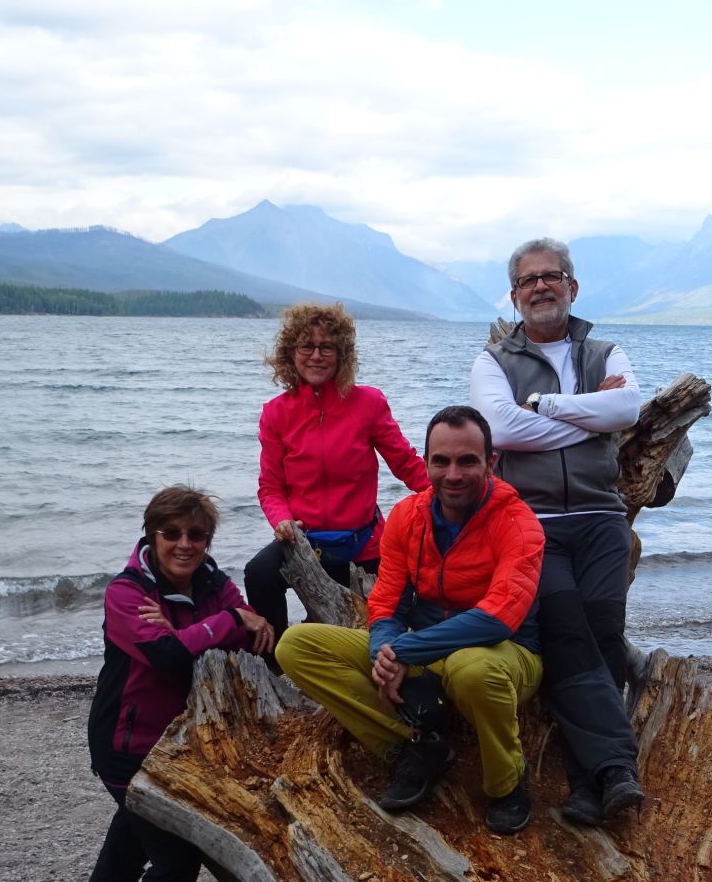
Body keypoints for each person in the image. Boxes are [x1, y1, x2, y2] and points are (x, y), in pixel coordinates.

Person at [275, 405, 545, 834]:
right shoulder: (407, 516)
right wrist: (383, 653)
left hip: (507, 657)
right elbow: (385, 604)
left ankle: (506, 785)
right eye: (441, 461)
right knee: (296, 644)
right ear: (426, 463)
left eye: (467, 461)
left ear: (491, 463)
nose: (452, 474)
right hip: (427, 650)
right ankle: (410, 748)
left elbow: (498, 619)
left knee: (471, 667)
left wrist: (402, 649)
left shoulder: (518, 523)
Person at [76, 485, 274, 882]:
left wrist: (220, 624)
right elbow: (166, 656)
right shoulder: (125, 592)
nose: (185, 544)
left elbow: (256, 634)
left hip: (183, 743)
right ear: (151, 535)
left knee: (129, 840)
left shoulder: (213, 582)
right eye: (172, 534)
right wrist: (222, 623)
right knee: (175, 857)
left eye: (197, 534)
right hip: (127, 745)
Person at [469, 237, 645, 827]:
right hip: (533, 522)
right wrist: (585, 415)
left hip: (599, 516)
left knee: (604, 629)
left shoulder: (606, 350)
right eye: (529, 280)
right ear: (514, 295)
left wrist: (540, 406)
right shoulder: (493, 362)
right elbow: (499, 428)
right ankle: (613, 771)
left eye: (553, 276)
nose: (541, 286)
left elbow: (628, 412)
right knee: (569, 631)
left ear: (573, 285)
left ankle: (589, 783)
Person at [245, 302, 429, 645]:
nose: (316, 355)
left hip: (365, 545)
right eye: (307, 346)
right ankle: (276, 664)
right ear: (291, 353)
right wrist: (282, 521)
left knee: (389, 618)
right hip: (304, 543)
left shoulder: (369, 403)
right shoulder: (276, 413)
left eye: (326, 346)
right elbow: (271, 487)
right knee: (258, 574)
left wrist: (451, 496)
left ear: (342, 354)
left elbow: (406, 463)